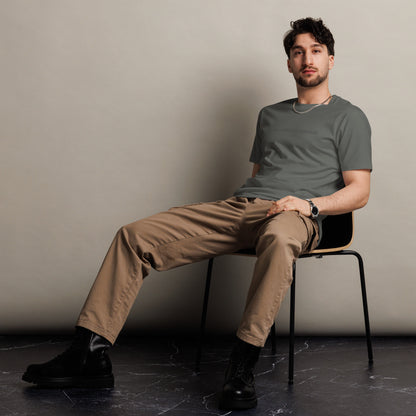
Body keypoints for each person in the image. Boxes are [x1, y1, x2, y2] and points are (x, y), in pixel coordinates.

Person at [22, 17, 372, 410]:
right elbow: (259, 177)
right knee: (134, 235)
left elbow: (359, 191)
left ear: (331, 60)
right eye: (297, 52)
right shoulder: (269, 115)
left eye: (316, 51)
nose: (307, 58)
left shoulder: (349, 116)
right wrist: (246, 208)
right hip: (243, 208)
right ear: (288, 63)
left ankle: (242, 365)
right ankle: (89, 353)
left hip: (298, 216)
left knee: (277, 236)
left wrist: (309, 204)